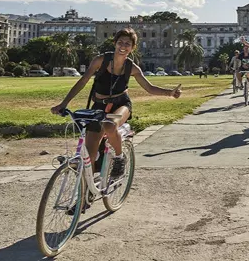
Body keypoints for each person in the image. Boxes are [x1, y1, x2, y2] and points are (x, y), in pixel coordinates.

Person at [51, 28, 182, 179]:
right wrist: (64, 103)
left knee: (109, 124)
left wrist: (170, 93)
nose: (123, 46)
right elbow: (82, 81)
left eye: (127, 44)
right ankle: (87, 189)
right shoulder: (100, 61)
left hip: (121, 104)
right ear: (114, 43)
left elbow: (149, 88)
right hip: (99, 106)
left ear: (132, 48)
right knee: (90, 156)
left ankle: (119, 158)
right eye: (120, 42)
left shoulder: (132, 68)